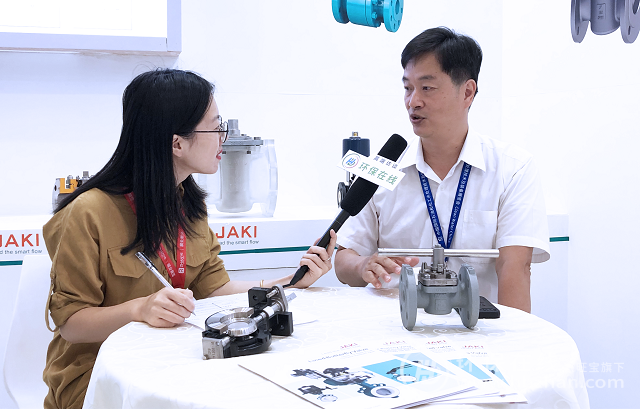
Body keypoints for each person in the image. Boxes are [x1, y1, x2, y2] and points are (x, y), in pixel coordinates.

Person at [42, 68, 337, 409]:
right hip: (100, 378)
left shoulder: (188, 202)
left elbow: (215, 288)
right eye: (215, 126)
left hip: (172, 359)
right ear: (177, 143)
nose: (224, 137)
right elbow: (72, 324)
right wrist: (139, 309)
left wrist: (290, 281)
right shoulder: (88, 212)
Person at [334, 27, 550, 312]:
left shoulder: (512, 169)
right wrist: (363, 265)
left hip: (476, 328)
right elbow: (343, 259)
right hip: (394, 327)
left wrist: (510, 336)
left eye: (427, 88)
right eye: (408, 88)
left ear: (467, 92)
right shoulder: (381, 170)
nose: (413, 102)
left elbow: (516, 267)